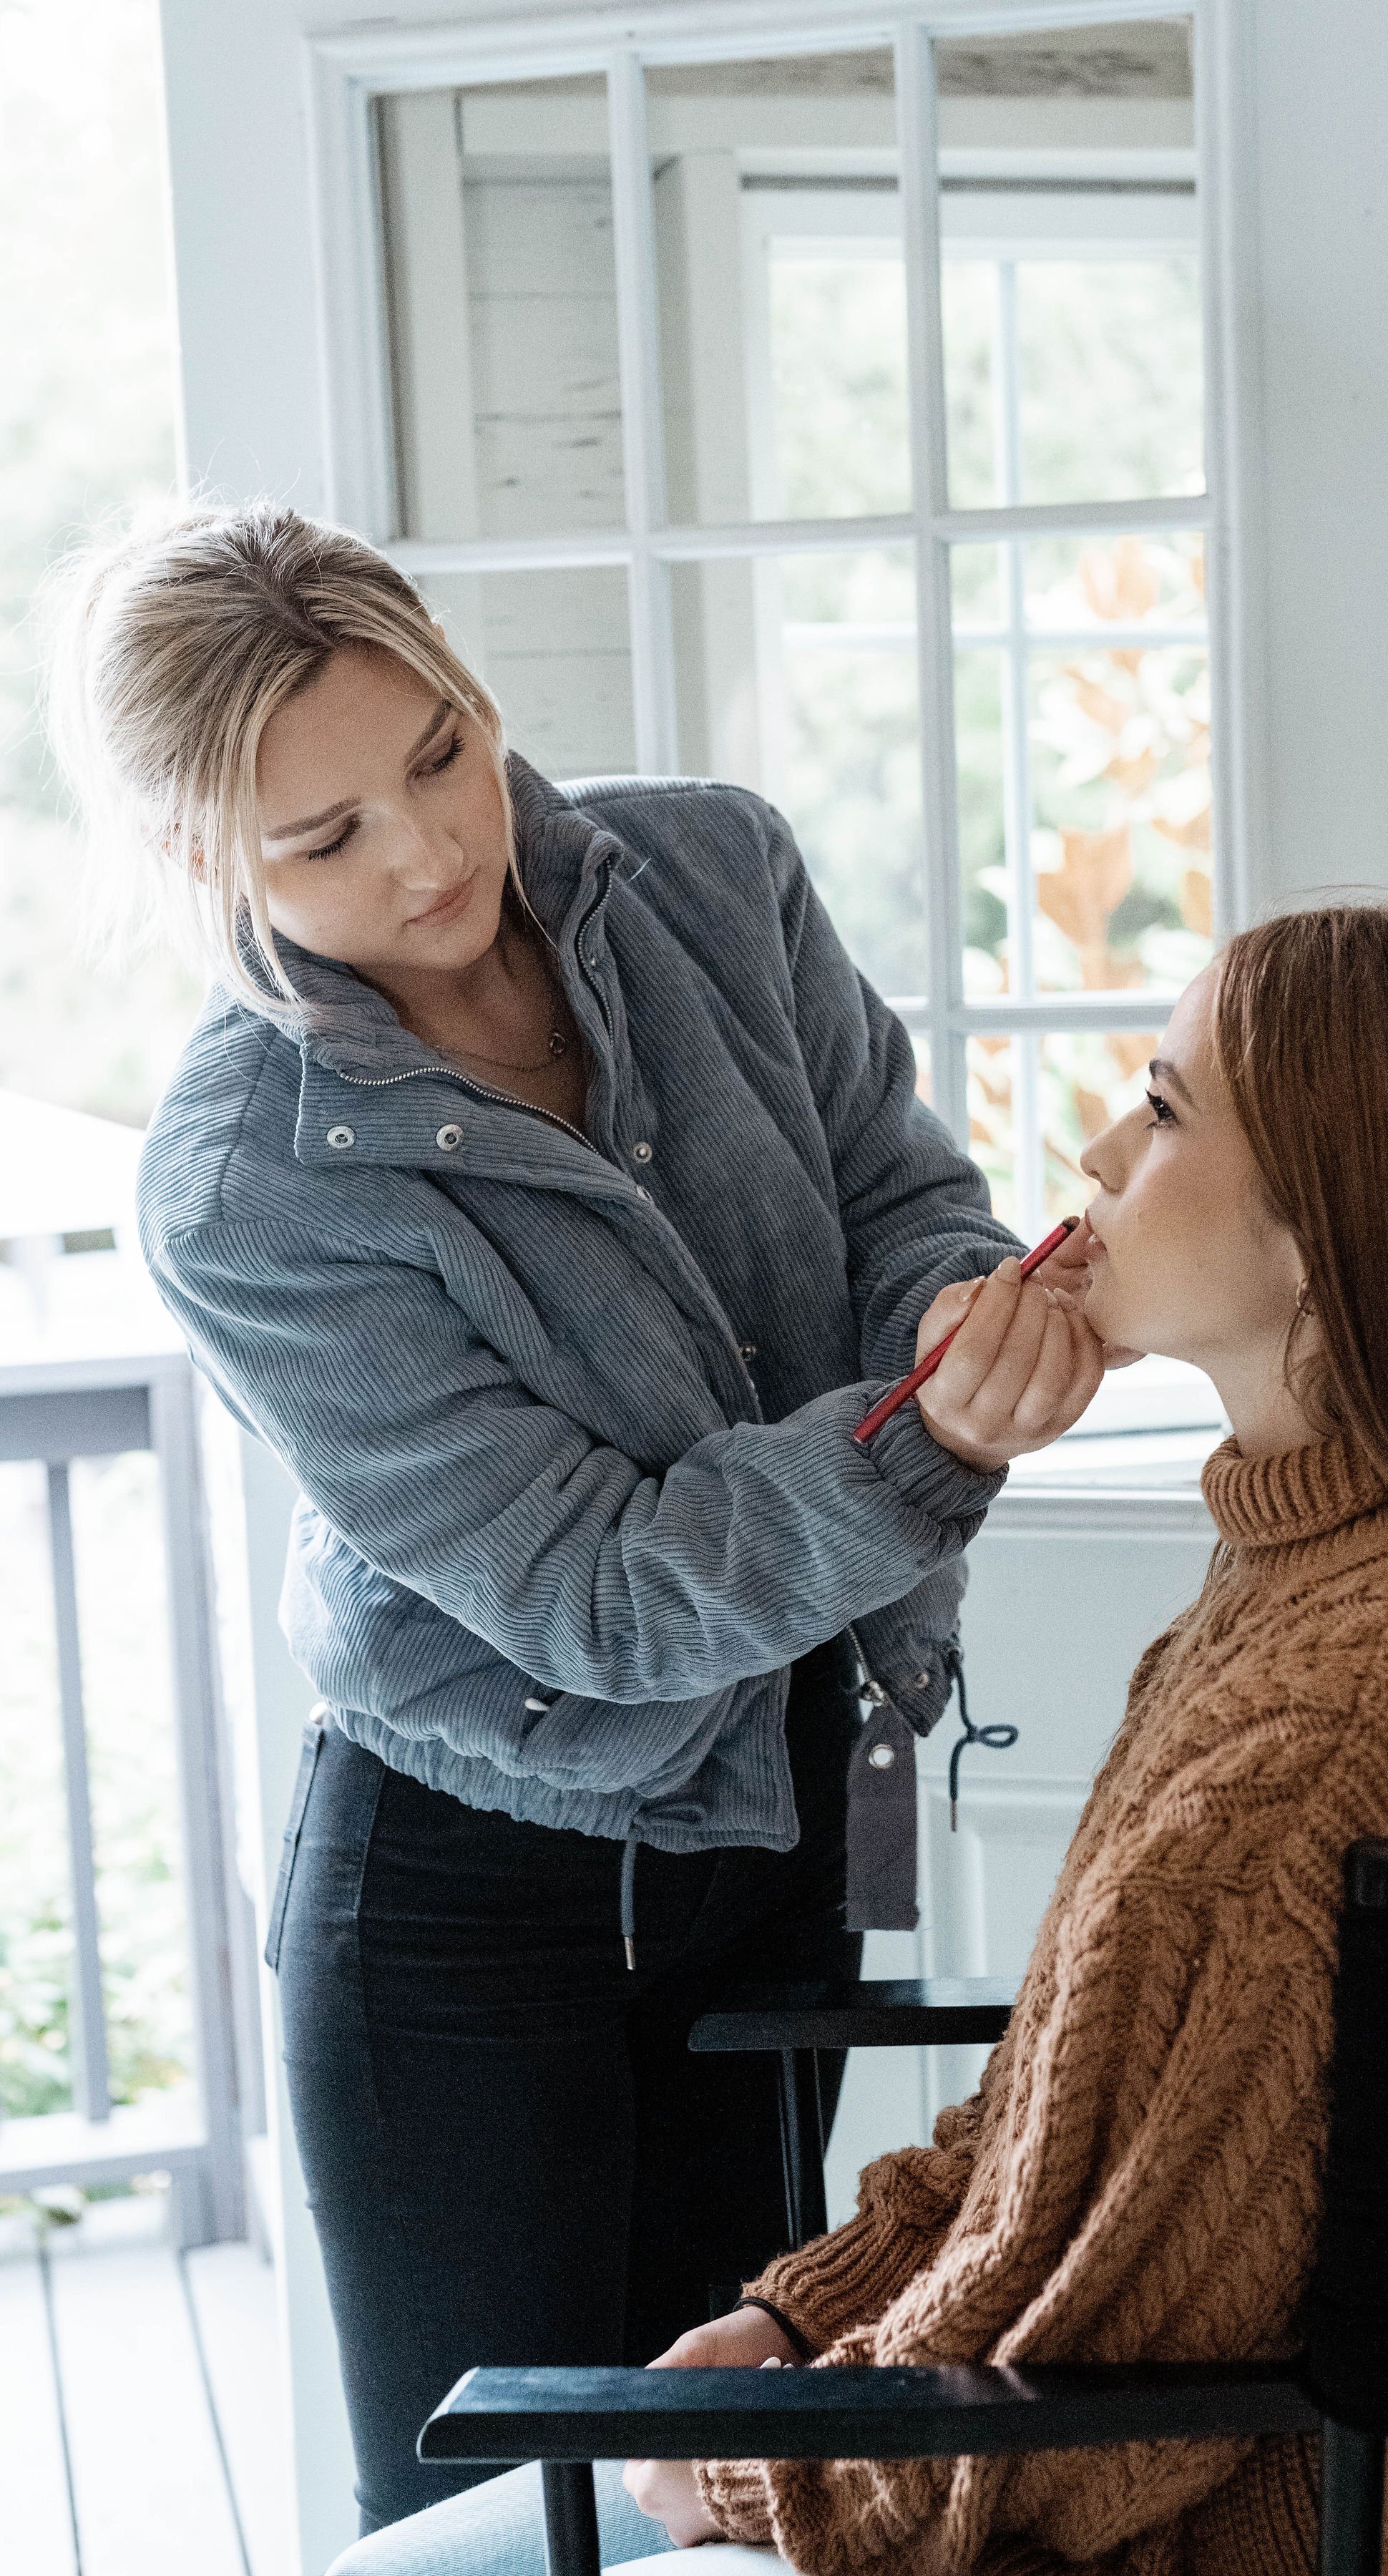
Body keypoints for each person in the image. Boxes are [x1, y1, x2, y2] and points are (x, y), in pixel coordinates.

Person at [337, 903, 1388, 2575]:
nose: (1097, 1145)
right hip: (1092, 2461)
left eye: (1163, 1103)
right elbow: (1075, 2125)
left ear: (1326, 1229)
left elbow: (1111, 2365)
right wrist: (796, 2323)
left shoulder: (1341, 1716)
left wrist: (746, 2470)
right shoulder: (1331, 1569)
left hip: (1175, 2531)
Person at [47, 501, 1106, 2537]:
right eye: (323, 839)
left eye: (436, 753)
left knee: (741, 2492)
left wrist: (960, 1312)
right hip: (466, 1911)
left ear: (465, 677)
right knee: (514, 2522)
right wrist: (929, 1442)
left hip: (774, 1809)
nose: (432, 855)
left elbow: (901, 1199)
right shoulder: (241, 1189)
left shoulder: (718, 869)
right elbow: (598, 1597)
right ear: (203, 865)